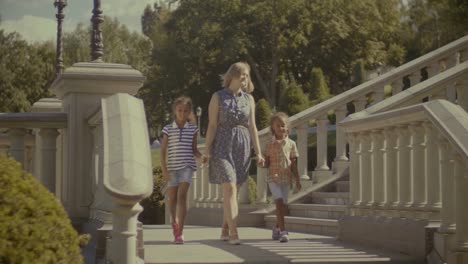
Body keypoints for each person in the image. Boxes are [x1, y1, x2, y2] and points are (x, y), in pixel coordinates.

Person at [203, 62, 265, 245]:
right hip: (222, 144)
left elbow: (252, 126)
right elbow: (212, 125)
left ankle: (225, 227)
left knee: (234, 192)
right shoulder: (217, 97)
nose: (245, 79)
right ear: (233, 76)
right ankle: (234, 233)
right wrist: (207, 149)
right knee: (229, 187)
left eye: (247, 75)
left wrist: (258, 152)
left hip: (242, 146)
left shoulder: (249, 99)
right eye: (243, 75)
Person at [161, 96, 204, 244]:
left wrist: (201, 157)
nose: (182, 113)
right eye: (179, 110)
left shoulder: (193, 129)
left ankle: (180, 231)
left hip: (187, 167)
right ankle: (174, 223)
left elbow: (194, 150)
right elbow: (162, 152)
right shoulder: (167, 129)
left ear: (189, 112)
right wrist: (164, 170)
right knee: (172, 199)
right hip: (172, 169)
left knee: (182, 197)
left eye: (185, 111)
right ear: (174, 111)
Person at [263, 112, 302, 243]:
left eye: (283, 125)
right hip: (273, 178)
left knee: (283, 206)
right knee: (279, 202)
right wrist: (261, 162)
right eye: (278, 126)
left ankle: (276, 228)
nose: (281, 128)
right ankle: (283, 231)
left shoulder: (291, 144)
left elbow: (294, 164)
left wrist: (297, 180)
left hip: (286, 178)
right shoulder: (269, 145)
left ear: (287, 127)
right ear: (273, 128)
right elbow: (266, 163)